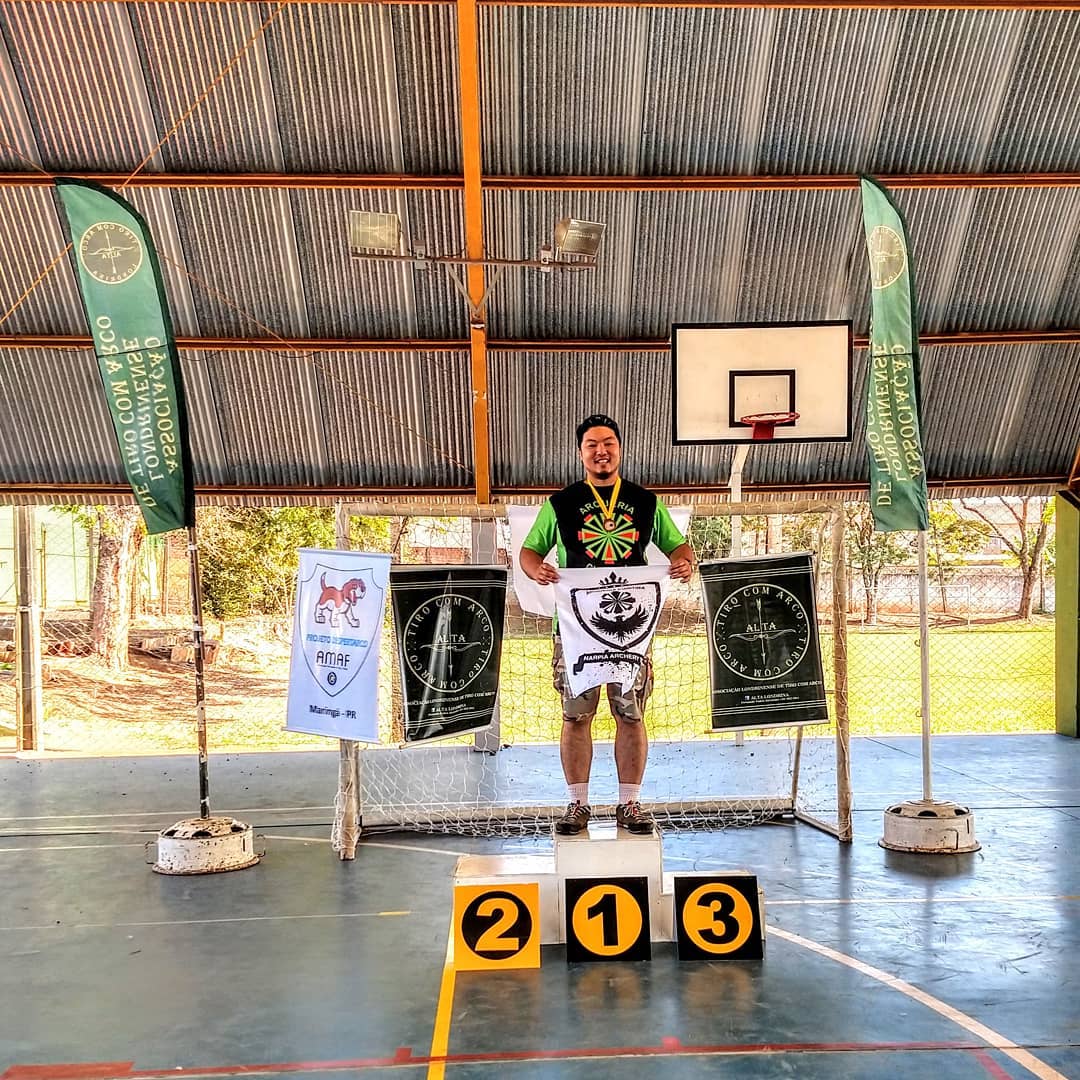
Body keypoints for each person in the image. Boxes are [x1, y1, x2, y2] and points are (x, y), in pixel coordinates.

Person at [519, 414, 695, 835]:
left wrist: (683, 562)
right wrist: (535, 569)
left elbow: (678, 546)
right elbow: (529, 552)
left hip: (631, 630)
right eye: (592, 444)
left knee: (630, 714)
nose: (601, 451)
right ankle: (577, 804)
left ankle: (629, 804)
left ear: (619, 448)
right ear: (581, 452)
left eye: (609, 443)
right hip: (575, 629)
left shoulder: (645, 502)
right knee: (576, 716)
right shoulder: (560, 504)